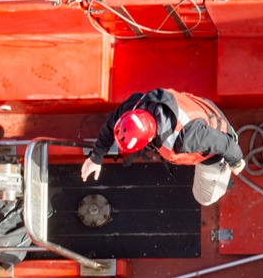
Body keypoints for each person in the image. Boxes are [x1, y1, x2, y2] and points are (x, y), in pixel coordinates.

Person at [81, 88, 246, 206]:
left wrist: (237, 162)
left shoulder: (187, 138)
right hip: (202, 111)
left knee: (204, 198)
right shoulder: (135, 106)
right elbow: (113, 123)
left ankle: (221, 178)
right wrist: (96, 157)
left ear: (149, 138)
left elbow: (225, 144)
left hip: (216, 143)